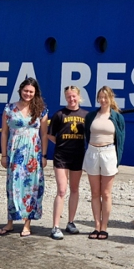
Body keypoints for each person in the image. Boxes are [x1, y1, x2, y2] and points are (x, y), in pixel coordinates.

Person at [0, 78, 48, 237]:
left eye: (31, 92)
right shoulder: (9, 108)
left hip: (33, 154)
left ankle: (27, 223)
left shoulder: (41, 110)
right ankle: (10, 222)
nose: (28, 94)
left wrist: (44, 155)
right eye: (26, 91)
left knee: (31, 187)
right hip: (14, 153)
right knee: (13, 187)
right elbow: (4, 133)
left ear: (35, 93)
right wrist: (4, 154)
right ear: (20, 90)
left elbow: (44, 134)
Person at [83, 86, 125, 239]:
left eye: (105, 97)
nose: (102, 100)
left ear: (111, 98)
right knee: (95, 193)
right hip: (93, 152)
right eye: (100, 97)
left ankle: (105, 227)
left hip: (109, 153)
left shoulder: (117, 117)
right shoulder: (91, 116)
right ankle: (96, 226)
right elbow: (87, 134)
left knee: (106, 193)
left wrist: (117, 160)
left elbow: (121, 139)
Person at [46, 86, 88, 240]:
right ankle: (55, 226)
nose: (71, 99)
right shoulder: (59, 114)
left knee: (75, 189)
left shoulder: (86, 115)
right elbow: (49, 134)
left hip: (78, 155)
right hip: (61, 156)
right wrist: (60, 142)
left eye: (74, 96)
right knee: (62, 191)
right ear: (65, 97)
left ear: (79, 97)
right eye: (68, 97)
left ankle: (70, 222)